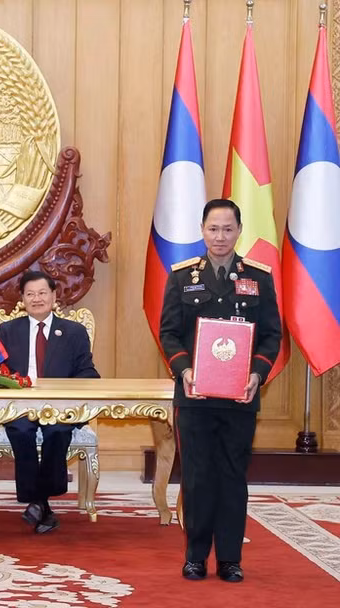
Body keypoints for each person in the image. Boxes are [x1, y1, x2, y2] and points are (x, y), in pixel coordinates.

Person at [159, 198, 281, 583]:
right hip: (195, 397)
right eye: (213, 228)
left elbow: (272, 336)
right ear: (202, 230)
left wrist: (257, 375)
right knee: (196, 477)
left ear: (239, 231)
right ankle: (195, 555)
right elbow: (169, 333)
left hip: (240, 397)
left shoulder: (258, 277)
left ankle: (229, 558)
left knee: (232, 476)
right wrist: (186, 370)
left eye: (228, 229)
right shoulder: (182, 277)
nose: (220, 236)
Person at [0, 269, 99, 534]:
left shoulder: (74, 332)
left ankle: (38, 501)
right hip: (20, 406)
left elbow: (87, 371)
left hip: (60, 407)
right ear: (22, 299)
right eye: (30, 294)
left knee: (57, 431)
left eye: (42, 293)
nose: (37, 299)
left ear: (54, 296)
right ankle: (42, 502)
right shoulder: (8, 330)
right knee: (21, 430)